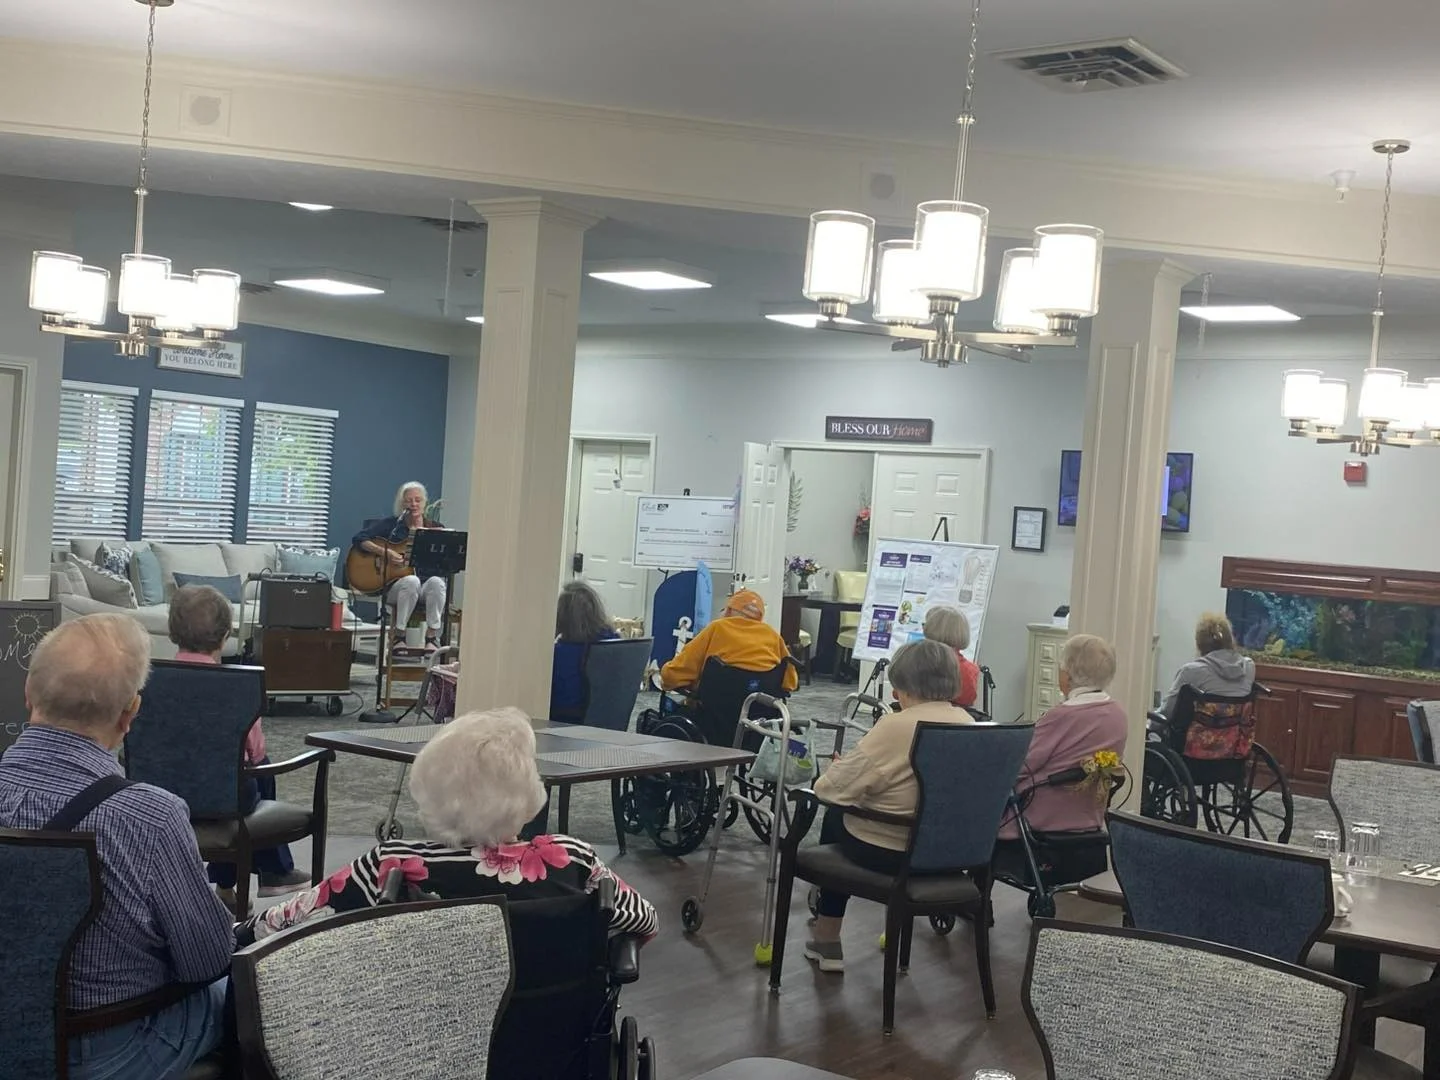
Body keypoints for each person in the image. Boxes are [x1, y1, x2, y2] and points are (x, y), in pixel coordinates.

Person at [0, 614, 233, 1080]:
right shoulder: (150, 816)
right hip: (104, 1051)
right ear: (131, 711)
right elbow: (206, 961)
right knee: (254, 991)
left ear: (29, 692)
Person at [246, 707, 658, 942]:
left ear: (430, 787)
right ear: (528, 791)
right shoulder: (572, 859)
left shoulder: (391, 864)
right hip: (547, 1043)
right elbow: (645, 922)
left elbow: (279, 925)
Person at [804, 639, 973, 973]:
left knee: (836, 816)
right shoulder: (969, 724)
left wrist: (841, 770)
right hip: (955, 854)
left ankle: (827, 937)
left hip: (895, 852)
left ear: (904, 686)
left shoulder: (898, 725)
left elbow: (829, 789)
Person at [168, 584, 309, 902]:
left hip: (160, 791)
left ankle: (227, 884)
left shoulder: (146, 679)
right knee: (262, 766)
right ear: (224, 636)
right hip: (225, 798)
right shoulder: (238, 686)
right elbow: (255, 753)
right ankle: (273, 870)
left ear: (173, 633)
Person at [997, 633, 1128, 845]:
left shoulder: (1061, 717)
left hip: (1039, 813)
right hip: (1088, 814)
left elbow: (1021, 766)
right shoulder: (1119, 715)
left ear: (1067, 676)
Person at [351, 480, 446, 648]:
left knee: (437, 583)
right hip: (396, 586)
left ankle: (431, 637)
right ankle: (399, 636)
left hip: (424, 587)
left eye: (418, 500)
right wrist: (385, 552)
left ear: (425, 502)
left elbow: (444, 561)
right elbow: (359, 539)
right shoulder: (392, 525)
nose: (413, 504)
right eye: (409, 500)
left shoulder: (435, 528)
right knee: (411, 581)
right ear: (402, 503)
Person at [660, 589, 799, 694]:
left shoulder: (717, 628)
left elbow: (675, 673)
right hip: (757, 711)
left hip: (713, 709)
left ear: (729, 611)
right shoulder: (772, 635)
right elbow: (790, 683)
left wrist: (666, 674)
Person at [1159, 612, 1256, 719]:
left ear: (1200, 643)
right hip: (1236, 735)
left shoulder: (1191, 671)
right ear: (1230, 639)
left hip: (1197, 735)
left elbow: (1168, 711)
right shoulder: (1248, 667)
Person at [551, 582, 620, 721]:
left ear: (562, 617)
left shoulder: (558, 655)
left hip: (564, 726)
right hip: (609, 725)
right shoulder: (615, 644)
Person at [919, 604, 981, 708]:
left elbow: (898, 694)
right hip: (956, 720)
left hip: (917, 718)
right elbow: (968, 700)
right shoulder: (971, 669)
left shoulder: (916, 661)